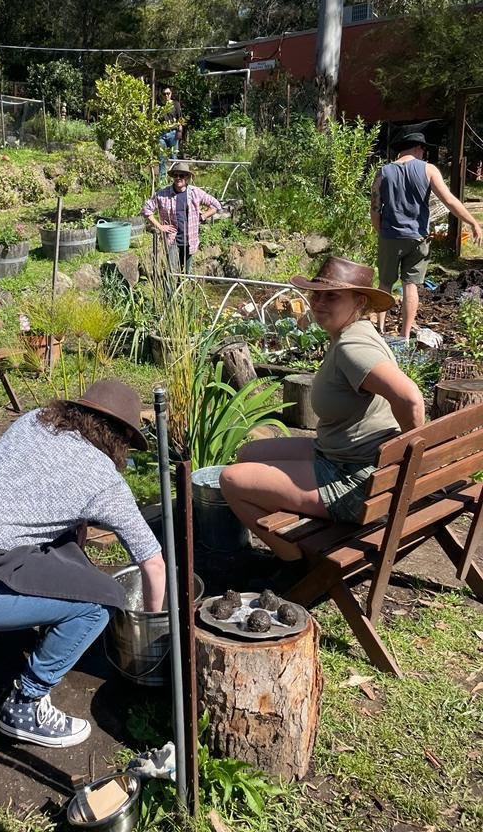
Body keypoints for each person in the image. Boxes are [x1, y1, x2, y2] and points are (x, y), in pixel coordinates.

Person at [0, 379, 166, 748]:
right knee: (99, 604)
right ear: (120, 438)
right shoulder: (103, 479)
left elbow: (31, 490)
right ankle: (25, 705)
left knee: (65, 548)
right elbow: (153, 564)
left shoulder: (37, 420)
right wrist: (149, 629)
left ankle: (40, 625)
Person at [219, 257, 425, 559]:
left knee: (231, 480)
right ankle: (299, 525)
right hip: (342, 455)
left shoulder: (352, 348)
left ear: (360, 301)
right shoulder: (355, 333)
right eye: (316, 294)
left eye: (332, 296)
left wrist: (412, 455)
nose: (319, 302)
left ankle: (296, 560)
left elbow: (410, 398)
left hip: (355, 481)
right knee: (248, 454)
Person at [371, 131, 483, 340]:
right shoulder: (428, 170)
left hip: (390, 235)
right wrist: (473, 222)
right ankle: (404, 336)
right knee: (410, 285)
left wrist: (382, 233)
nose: (424, 154)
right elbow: (450, 201)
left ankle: (380, 331)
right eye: (423, 150)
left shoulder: (383, 172)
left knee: (385, 284)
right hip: (417, 237)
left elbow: (375, 209)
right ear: (417, 148)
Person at [142, 160, 221, 274]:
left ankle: (185, 286)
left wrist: (202, 216)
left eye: (181, 175)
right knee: (172, 272)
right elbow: (146, 209)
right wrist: (160, 226)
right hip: (172, 239)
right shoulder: (163, 194)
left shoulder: (195, 193)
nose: (178, 178)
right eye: (176, 175)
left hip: (190, 240)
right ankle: (170, 286)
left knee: (188, 274)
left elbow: (216, 205)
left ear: (187, 177)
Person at [158, 85, 183, 180]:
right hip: (162, 134)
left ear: (171, 94)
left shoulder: (176, 104)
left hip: (173, 133)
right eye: (164, 94)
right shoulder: (159, 106)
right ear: (162, 95)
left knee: (173, 157)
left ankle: (177, 178)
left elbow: (180, 118)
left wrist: (180, 131)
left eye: (168, 93)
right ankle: (162, 180)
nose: (166, 95)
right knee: (161, 158)